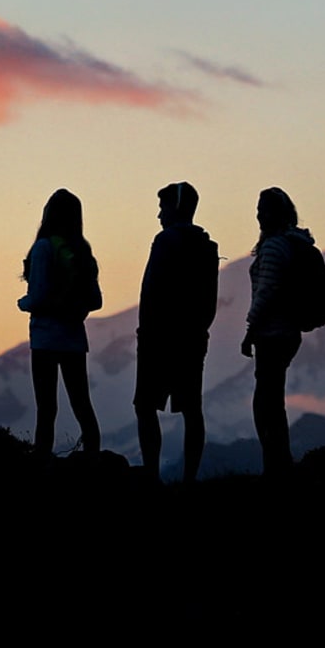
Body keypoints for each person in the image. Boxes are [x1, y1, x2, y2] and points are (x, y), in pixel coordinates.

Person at [133, 181, 219, 484]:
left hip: (158, 339)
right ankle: (189, 478)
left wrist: (146, 333)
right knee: (192, 409)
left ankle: (152, 476)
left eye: (162, 207)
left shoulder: (165, 241)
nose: (159, 214)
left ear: (175, 207)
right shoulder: (207, 247)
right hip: (193, 339)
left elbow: (151, 291)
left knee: (144, 406)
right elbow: (210, 300)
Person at [18, 188, 102, 461]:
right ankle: (93, 457)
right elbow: (95, 299)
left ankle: (42, 460)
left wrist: (24, 303)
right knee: (82, 403)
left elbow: (39, 296)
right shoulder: (81, 249)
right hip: (74, 337)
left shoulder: (43, 248)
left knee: (46, 406)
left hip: (45, 337)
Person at [240, 186, 311, 478]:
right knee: (273, 399)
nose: (258, 215)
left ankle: (275, 463)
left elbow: (267, 290)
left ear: (274, 213)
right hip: (287, 331)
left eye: (263, 209)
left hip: (272, 332)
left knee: (265, 402)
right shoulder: (292, 243)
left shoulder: (273, 247)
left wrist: (250, 329)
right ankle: (279, 460)